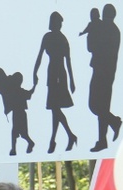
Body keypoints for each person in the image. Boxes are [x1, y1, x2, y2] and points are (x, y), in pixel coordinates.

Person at [33, 11, 77, 153]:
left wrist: (71, 80)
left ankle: (59, 139)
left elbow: (68, 61)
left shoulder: (62, 39)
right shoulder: (47, 37)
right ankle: (62, 138)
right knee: (54, 109)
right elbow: (39, 55)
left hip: (59, 74)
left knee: (55, 108)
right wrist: (34, 72)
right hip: (51, 73)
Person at [86, 4, 122, 152]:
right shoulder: (115, 30)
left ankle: (112, 124)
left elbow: (91, 47)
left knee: (95, 105)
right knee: (101, 106)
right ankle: (103, 139)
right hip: (108, 72)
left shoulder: (104, 29)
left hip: (101, 71)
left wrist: (91, 30)